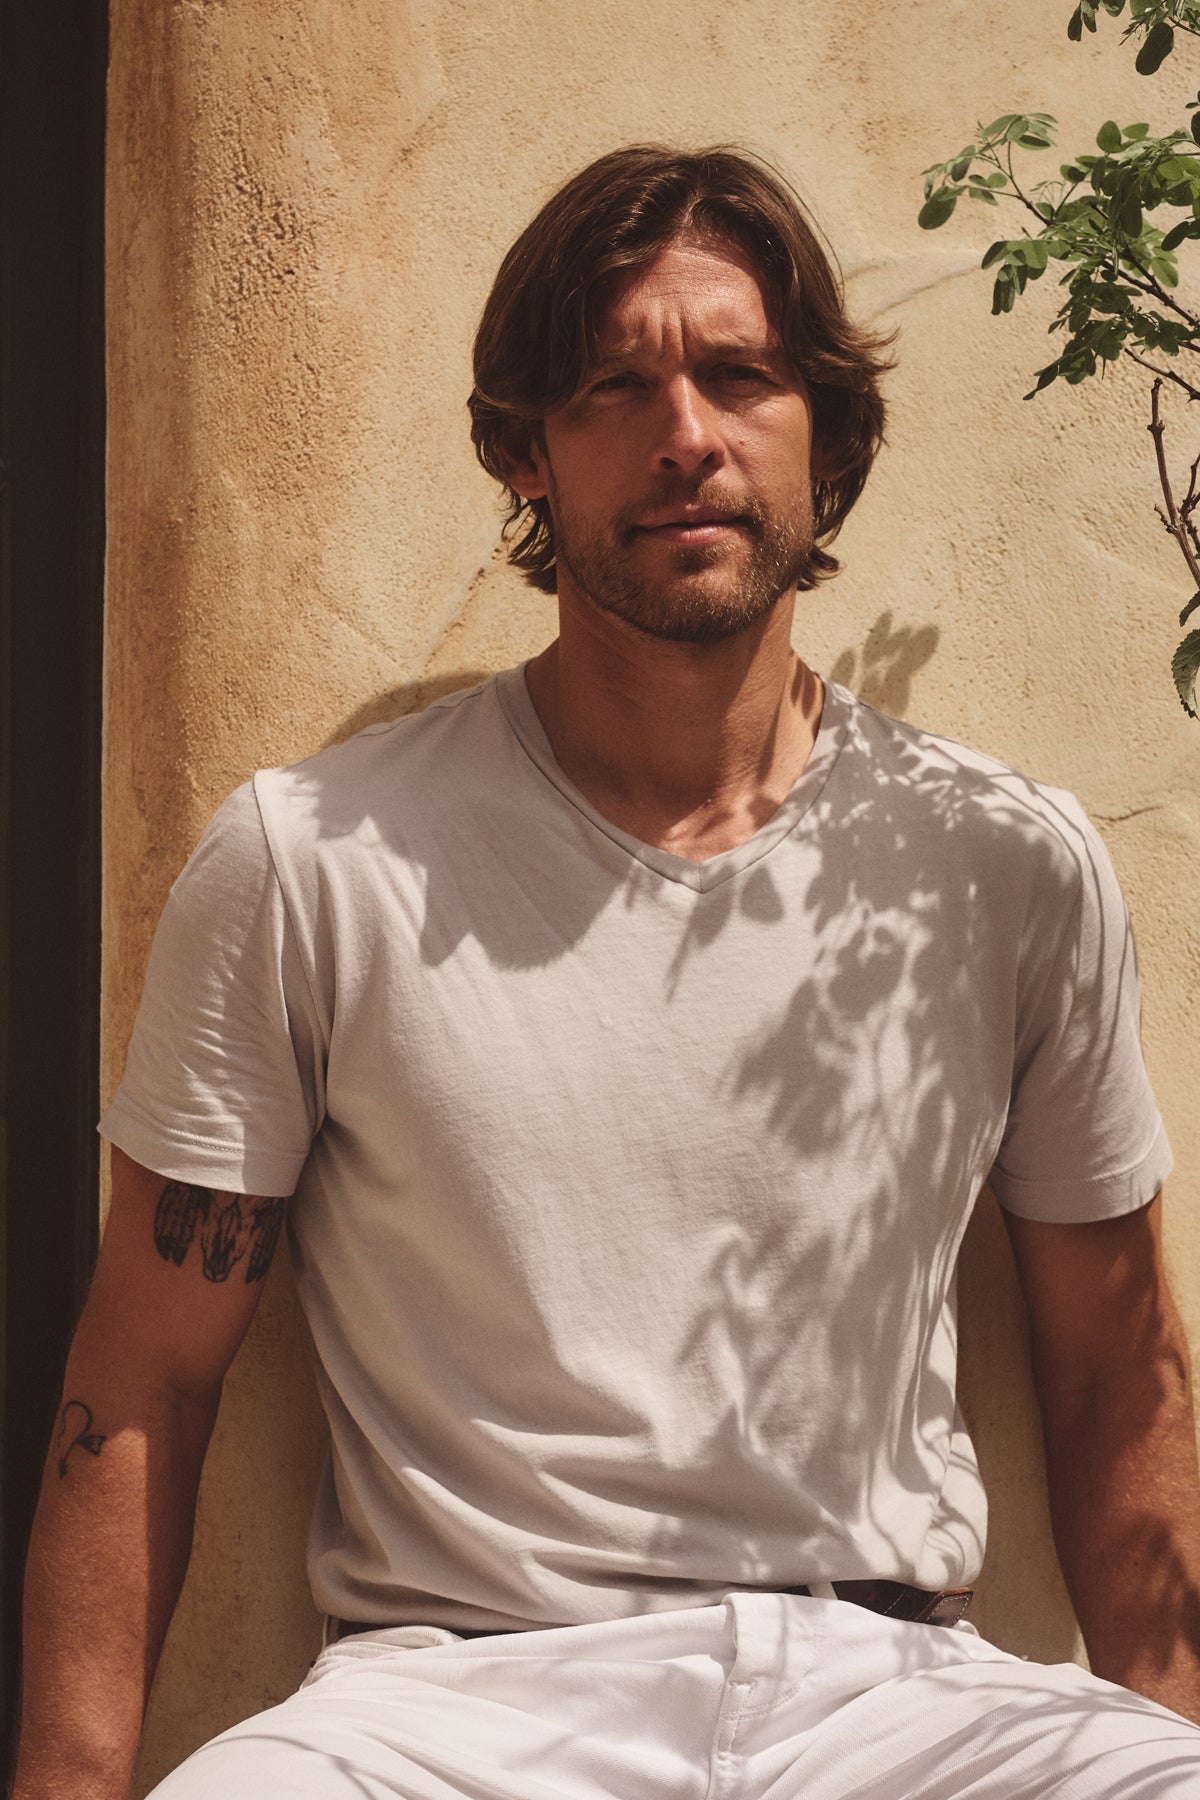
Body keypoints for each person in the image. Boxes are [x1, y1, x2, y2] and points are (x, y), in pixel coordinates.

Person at [12, 144, 1200, 1800]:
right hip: (454, 1713)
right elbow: (140, 1374)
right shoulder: (313, 861)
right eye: (613, 387)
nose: (685, 437)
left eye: (739, 376)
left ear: (825, 436)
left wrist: (1164, 1730)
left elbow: (1112, 1360)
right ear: (528, 454)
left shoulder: (1007, 862)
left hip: (900, 1698)